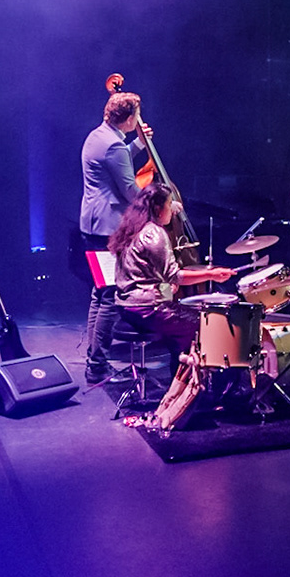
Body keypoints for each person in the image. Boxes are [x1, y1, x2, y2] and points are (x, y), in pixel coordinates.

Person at [112, 183, 236, 429]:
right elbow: (175, 276)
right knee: (206, 325)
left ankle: (179, 382)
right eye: (170, 205)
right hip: (148, 308)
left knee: (180, 332)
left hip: (126, 305)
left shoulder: (131, 229)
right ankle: (195, 394)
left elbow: (144, 275)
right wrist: (213, 274)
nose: (173, 211)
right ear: (158, 207)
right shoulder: (155, 233)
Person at [77, 88, 154, 381]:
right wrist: (158, 202)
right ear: (129, 118)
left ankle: (94, 361)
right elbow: (130, 190)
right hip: (108, 229)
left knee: (99, 293)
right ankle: (97, 365)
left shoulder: (98, 136)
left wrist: (137, 144)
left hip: (92, 225)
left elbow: (115, 159)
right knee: (110, 295)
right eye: (136, 115)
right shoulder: (114, 146)